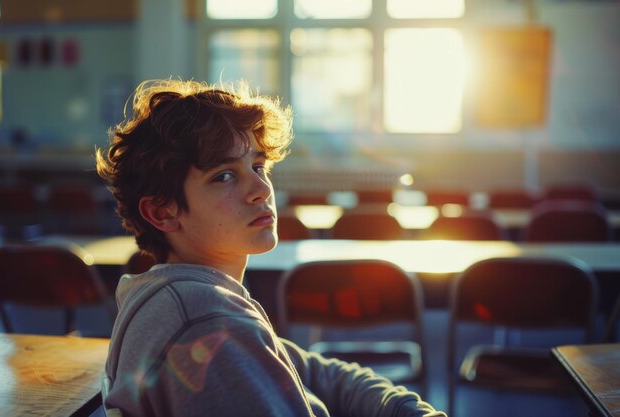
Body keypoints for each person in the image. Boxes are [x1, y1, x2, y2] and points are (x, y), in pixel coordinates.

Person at [96, 79, 446, 417]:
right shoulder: (206, 319)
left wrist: (402, 409)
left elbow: (313, 374)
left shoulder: (177, 295)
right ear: (162, 212)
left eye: (258, 166)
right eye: (224, 176)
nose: (261, 189)